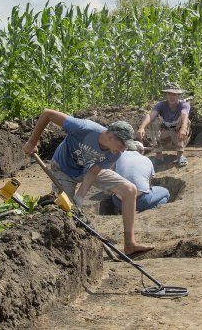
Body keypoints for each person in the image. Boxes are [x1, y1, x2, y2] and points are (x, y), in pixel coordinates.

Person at [23, 109, 154, 255]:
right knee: (65, 209)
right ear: (112, 137)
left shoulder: (114, 153)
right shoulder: (84, 128)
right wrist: (32, 142)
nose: (123, 150)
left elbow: (93, 172)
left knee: (130, 190)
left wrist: (80, 197)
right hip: (63, 169)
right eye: (122, 145)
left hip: (88, 169)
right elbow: (47, 113)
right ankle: (65, 251)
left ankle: (130, 244)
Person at [136, 82, 191, 167]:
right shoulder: (161, 105)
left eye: (174, 94)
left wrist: (183, 128)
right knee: (153, 121)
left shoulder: (184, 105)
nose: (172, 97)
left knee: (185, 121)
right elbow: (151, 116)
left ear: (178, 95)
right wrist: (142, 127)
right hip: (165, 138)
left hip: (179, 137)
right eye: (169, 94)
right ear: (166, 95)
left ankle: (180, 155)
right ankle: (159, 156)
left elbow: (184, 115)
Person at [111, 141, 170, 214]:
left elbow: (112, 172)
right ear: (142, 151)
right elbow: (148, 184)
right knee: (166, 194)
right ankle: (142, 211)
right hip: (140, 201)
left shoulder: (119, 156)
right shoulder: (147, 159)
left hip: (119, 202)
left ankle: (123, 210)